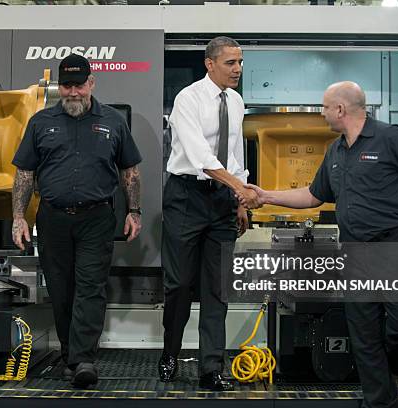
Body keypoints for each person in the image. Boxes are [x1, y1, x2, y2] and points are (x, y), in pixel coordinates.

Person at [240, 81, 398, 407]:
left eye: (323, 107)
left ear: (340, 109)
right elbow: (313, 195)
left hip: (396, 245)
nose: (321, 114)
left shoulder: (391, 137)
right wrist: (266, 195)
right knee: (363, 334)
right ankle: (380, 401)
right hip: (354, 251)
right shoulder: (335, 151)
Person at [11, 54, 142, 388]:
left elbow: (130, 171)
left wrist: (134, 211)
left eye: (79, 85)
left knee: (90, 287)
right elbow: (24, 173)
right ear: (59, 86)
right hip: (52, 219)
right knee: (60, 289)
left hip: (96, 218)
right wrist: (17, 218)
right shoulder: (41, 123)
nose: (72, 92)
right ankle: (72, 352)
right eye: (66, 85)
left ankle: (84, 359)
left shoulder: (113, 121)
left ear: (91, 83)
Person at [159, 36, 260, 391]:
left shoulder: (236, 101)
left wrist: (238, 200)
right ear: (210, 64)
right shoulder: (188, 98)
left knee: (218, 289)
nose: (238, 69)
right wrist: (240, 187)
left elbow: (235, 153)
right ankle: (170, 352)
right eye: (231, 63)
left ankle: (210, 367)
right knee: (180, 284)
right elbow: (200, 155)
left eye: (241, 62)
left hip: (221, 201)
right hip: (186, 196)